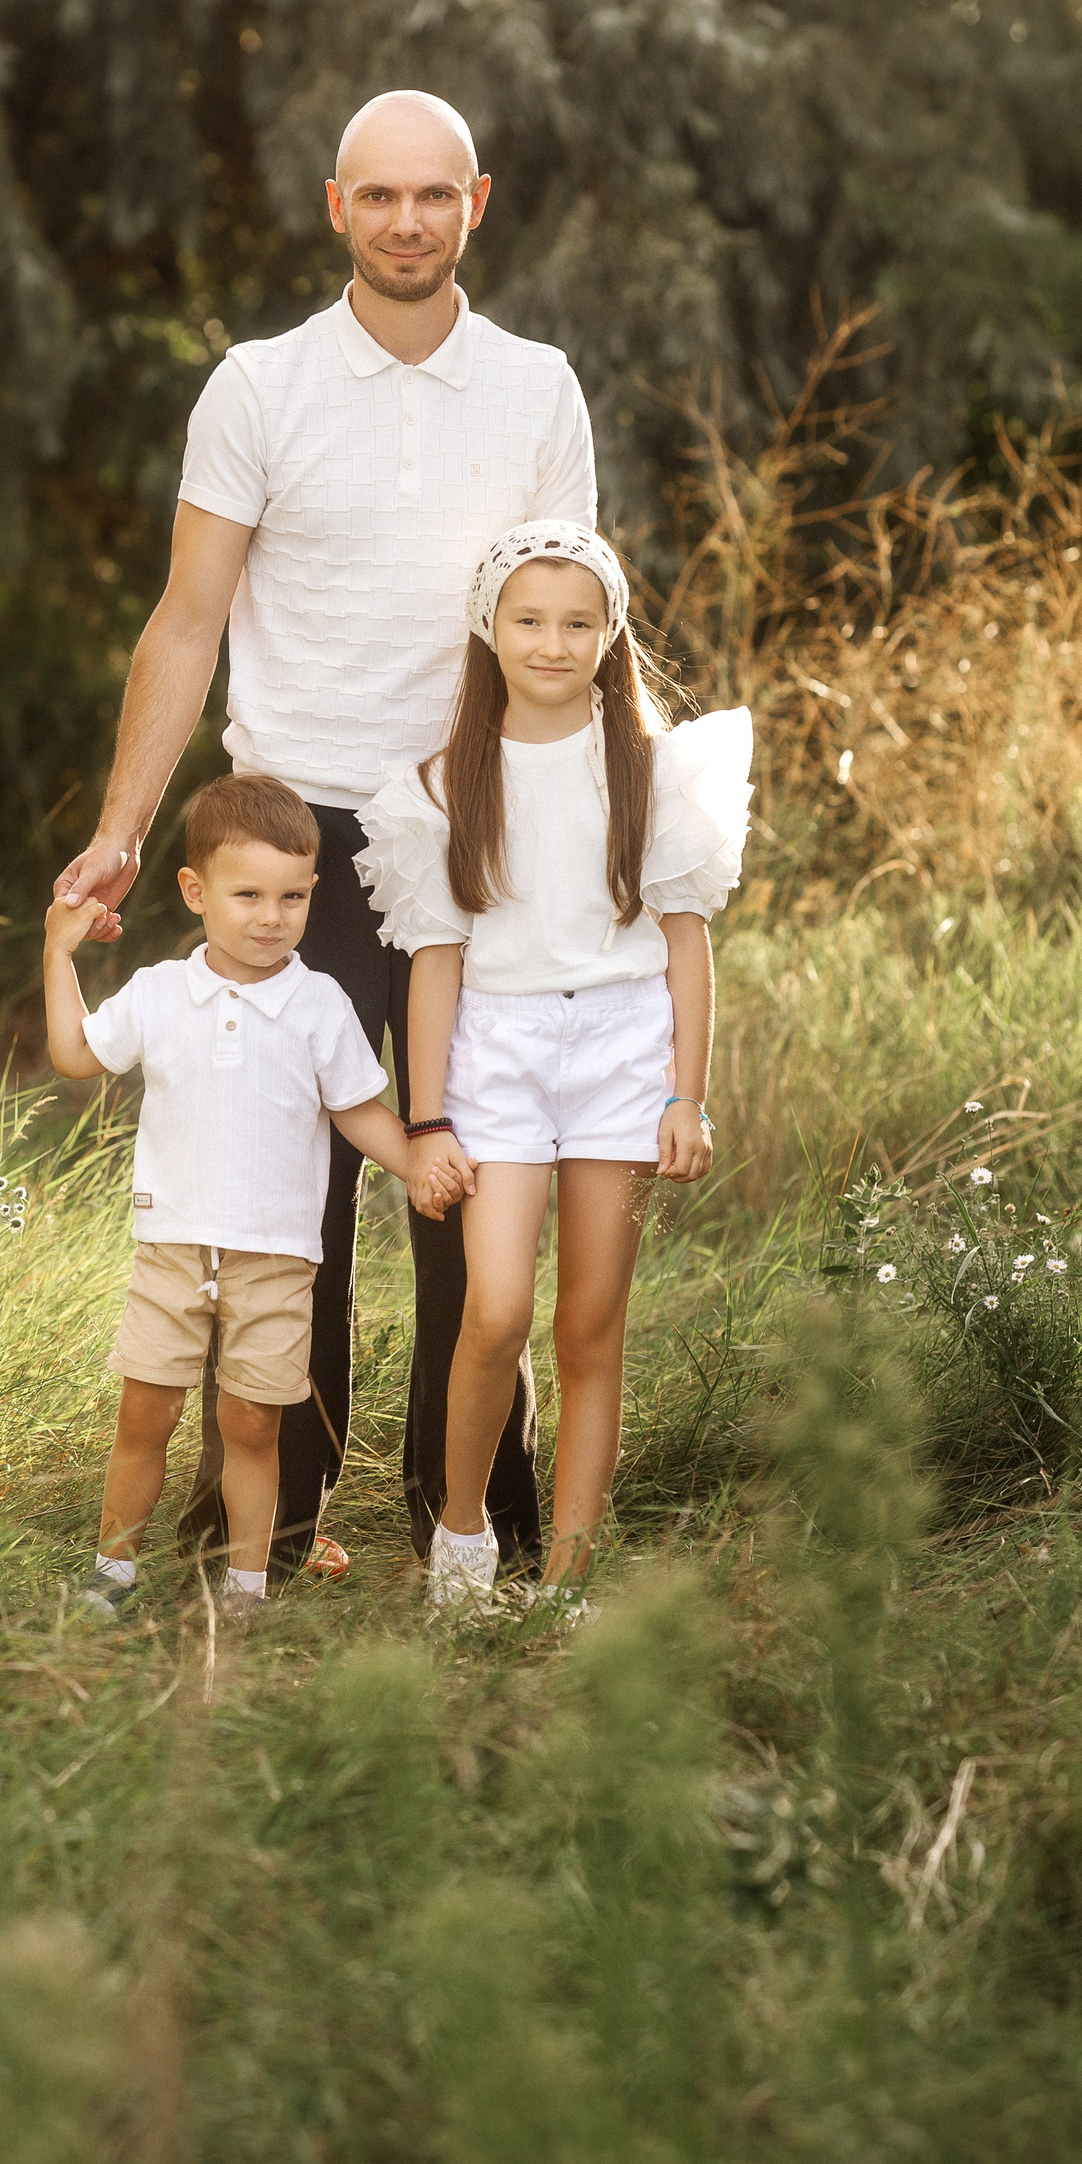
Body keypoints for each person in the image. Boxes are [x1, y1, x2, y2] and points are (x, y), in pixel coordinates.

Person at [52, 89, 596, 1581]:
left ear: (476, 203)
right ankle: (269, 1526)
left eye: (435, 195)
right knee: (288, 1204)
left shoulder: (540, 388)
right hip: (292, 847)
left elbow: (569, 632)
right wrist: (122, 829)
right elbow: (188, 619)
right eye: (380, 196)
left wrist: (590, 840)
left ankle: (475, 1520)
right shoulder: (257, 385)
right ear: (337, 207)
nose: (408, 221)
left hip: (473, 844)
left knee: (468, 1188)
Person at [355, 520, 752, 1607]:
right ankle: (462, 1532)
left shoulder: (652, 771)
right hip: (499, 1052)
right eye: (529, 619)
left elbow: (685, 946)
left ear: (610, 633)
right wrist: (427, 1119)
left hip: (623, 1049)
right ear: (490, 628)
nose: (552, 642)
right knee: (495, 1312)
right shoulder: (444, 785)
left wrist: (686, 1095)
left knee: (589, 1325)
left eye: (578, 623)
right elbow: (434, 967)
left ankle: (570, 1576)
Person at [44, 773, 459, 1617]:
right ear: (195, 891)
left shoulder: (319, 1004)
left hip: (276, 1257)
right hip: (173, 1246)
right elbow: (76, 1055)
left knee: (254, 1424)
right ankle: (113, 1571)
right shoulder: (161, 992)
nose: (272, 917)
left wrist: (417, 1162)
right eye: (249, 896)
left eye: (293, 897)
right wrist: (58, 953)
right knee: (146, 1413)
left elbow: (357, 1110)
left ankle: (246, 1587)